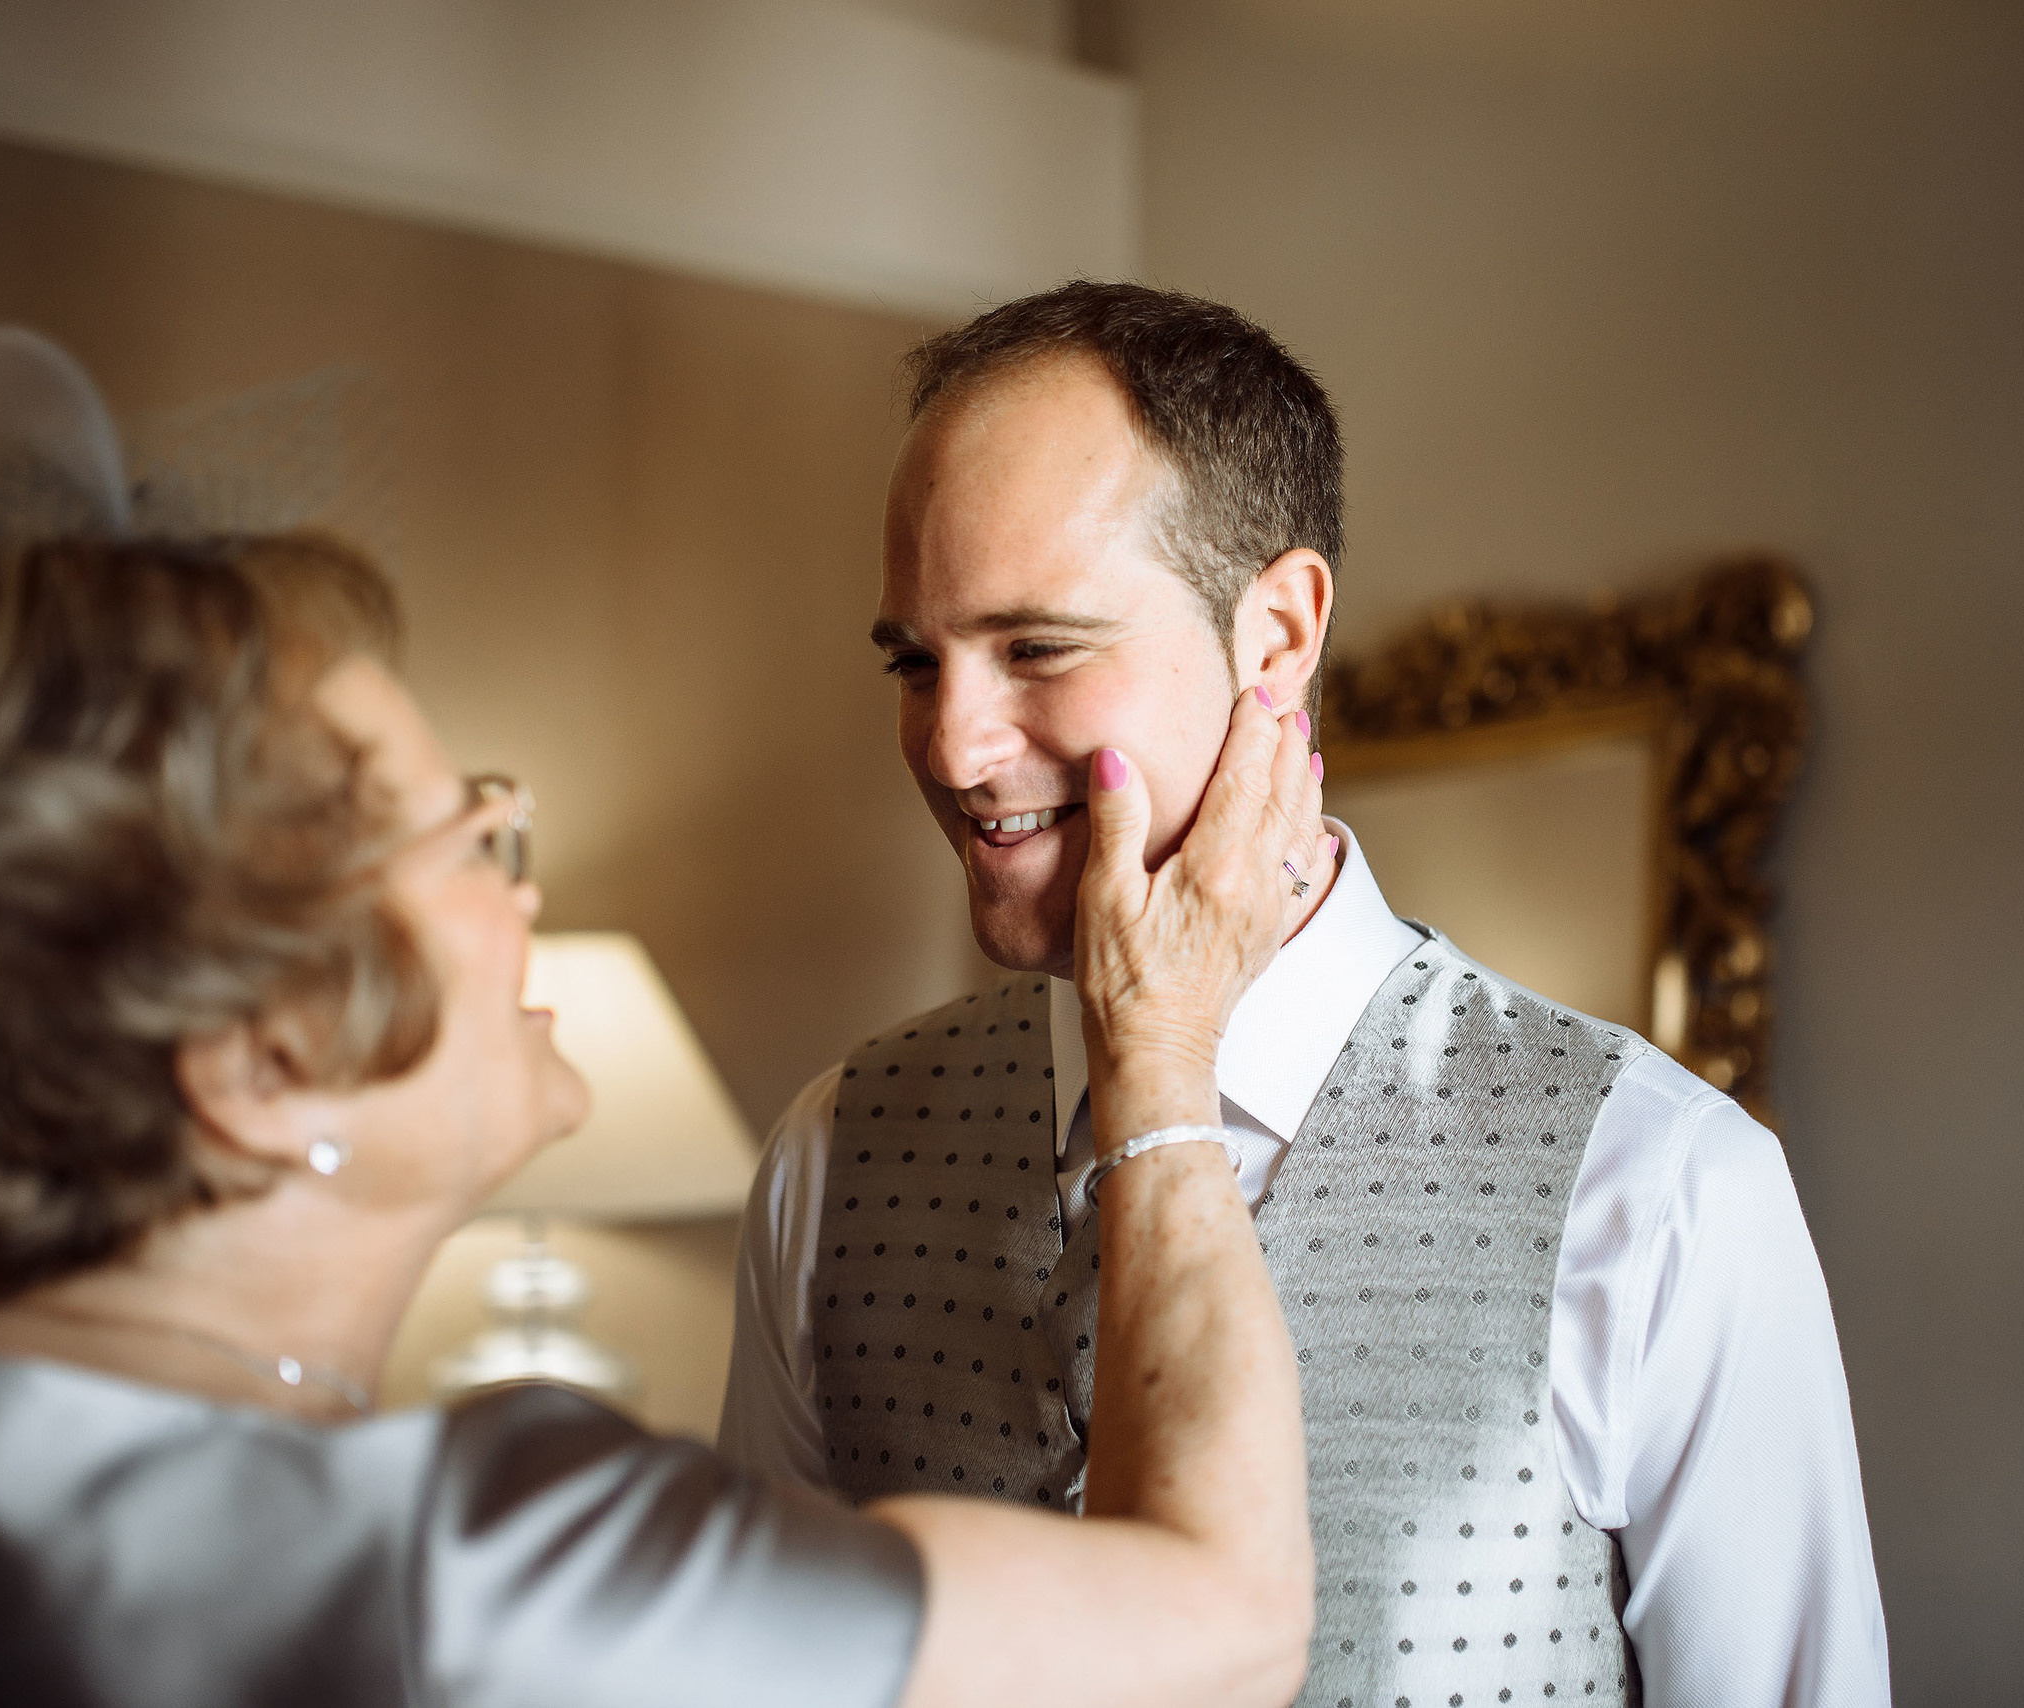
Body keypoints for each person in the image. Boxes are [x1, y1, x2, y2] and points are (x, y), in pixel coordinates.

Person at [0, 325, 1326, 1707]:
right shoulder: (484, 1566)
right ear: (257, 1057)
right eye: (467, 837)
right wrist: (1161, 1057)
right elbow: (1229, 1631)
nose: (523, 896)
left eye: (1041, 646)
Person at [719, 282, 1894, 1707]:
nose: (954, 748)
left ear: (1276, 634)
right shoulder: (833, 1156)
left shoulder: (1656, 1190)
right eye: (917, 662)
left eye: (1036, 648)